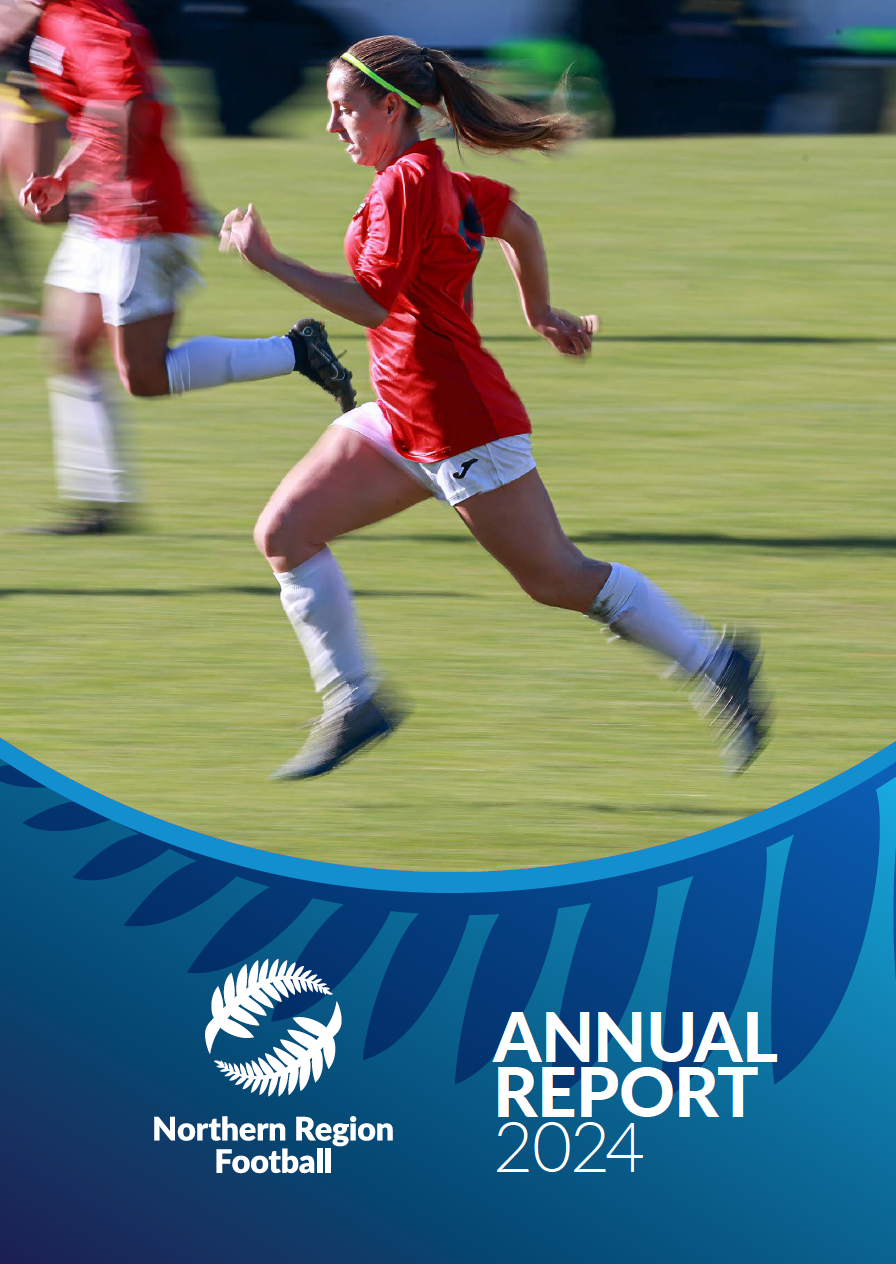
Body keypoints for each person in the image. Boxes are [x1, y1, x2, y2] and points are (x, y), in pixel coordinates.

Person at [219, 35, 770, 780]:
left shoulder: (407, 183)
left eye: (344, 109)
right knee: (284, 532)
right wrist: (539, 311)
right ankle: (355, 702)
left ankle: (715, 659)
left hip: (457, 421)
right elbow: (518, 224)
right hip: (403, 414)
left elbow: (375, 303)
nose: (331, 125)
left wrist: (270, 261)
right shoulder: (431, 178)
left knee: (557, 578)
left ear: (392, 107)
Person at [18, 0, 351, 533]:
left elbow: (130, 105)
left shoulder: (89, 19)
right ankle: (100, 505)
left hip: (137, 215)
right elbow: (101, 112)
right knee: (72, 347)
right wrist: (65, 177)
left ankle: (297, 351)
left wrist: (101, 185)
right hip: (102, 211)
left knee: (145, 376)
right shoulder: (59, 16)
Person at [0, 0, 60, 332]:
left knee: (40, 206)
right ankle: (17, 306)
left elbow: (21, 11)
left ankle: (151, 205)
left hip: (34, 79)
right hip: (10, 76)